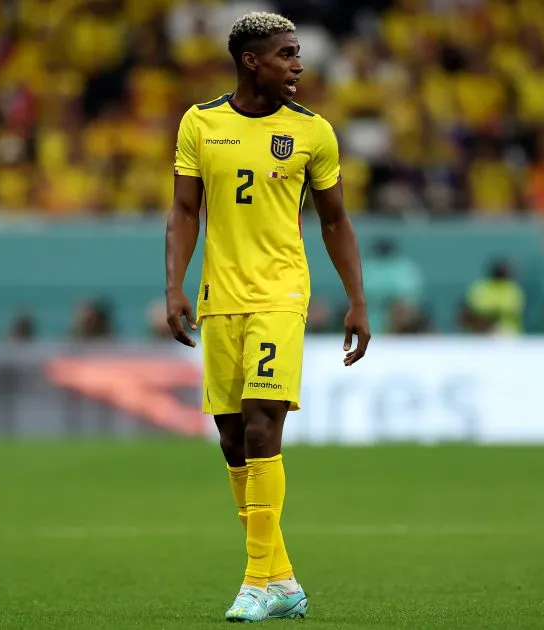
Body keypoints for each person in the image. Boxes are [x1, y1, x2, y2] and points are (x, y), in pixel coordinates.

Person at [164, 12, 370, 623]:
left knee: (261, 429)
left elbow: (335, 221)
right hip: (219, 298)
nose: (298, 66)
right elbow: (183, 210)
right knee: (231, 439)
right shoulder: (200, 123)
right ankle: (282, 578)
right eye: (286, 55)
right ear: (251, 61)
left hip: (281, 295)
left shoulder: (314, 133)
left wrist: (357, 299)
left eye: (298, 54)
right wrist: (173, 284)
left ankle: (256, 580)